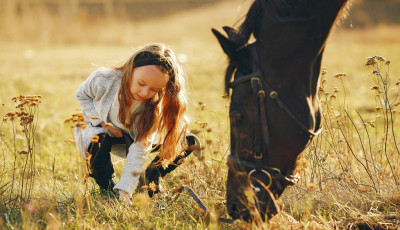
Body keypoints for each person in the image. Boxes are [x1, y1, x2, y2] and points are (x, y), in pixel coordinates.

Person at [74, 43, 200, 205]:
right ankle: (107, 186)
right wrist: (101, 123)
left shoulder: (152, 107)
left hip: (135, 136)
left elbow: (139, 151)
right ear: (130, 69)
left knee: (187, 142)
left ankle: (153, 175)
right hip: (103, 133)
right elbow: (82, 95)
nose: (145, 93)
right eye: (141, 83)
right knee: (96, 143)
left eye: (154, 89)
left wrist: (125, 190)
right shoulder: (104, 80)